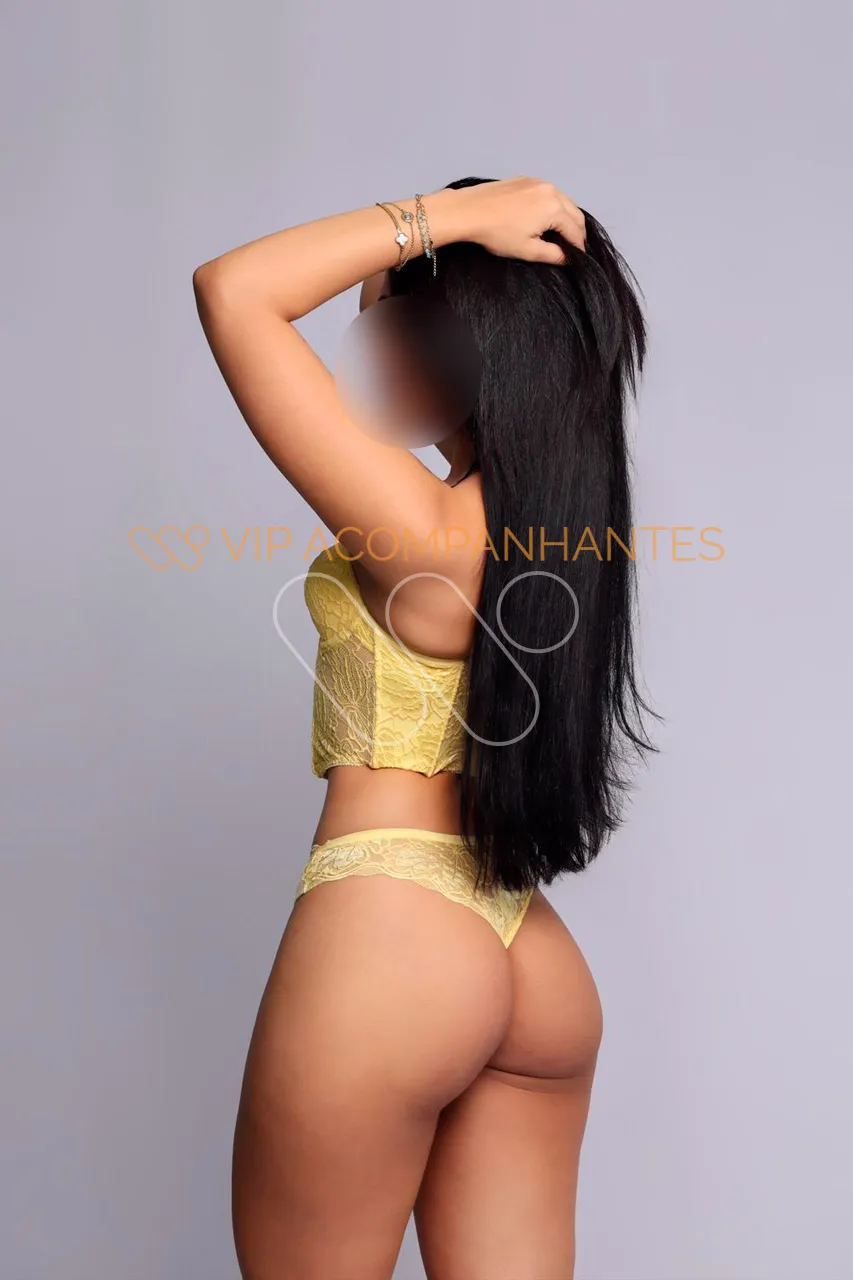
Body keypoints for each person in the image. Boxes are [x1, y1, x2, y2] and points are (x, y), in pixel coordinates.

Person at [193, 175, 655, 1280]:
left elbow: (235, 289)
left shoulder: (418, 529)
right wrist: (454, 245)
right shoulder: (558, 527)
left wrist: (448, 219)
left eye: (391, 323)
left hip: (391, 936)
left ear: (459, 346)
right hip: (528, 954)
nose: (367, 348)